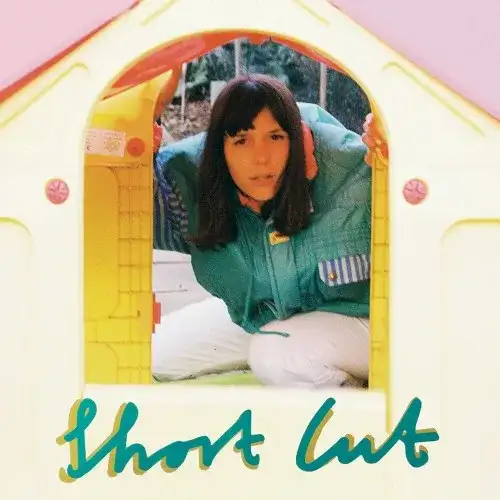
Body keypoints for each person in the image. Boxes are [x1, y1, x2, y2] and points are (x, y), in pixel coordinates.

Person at [151, 73, 388, 388]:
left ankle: (351, 416)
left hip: (370, 321)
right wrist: (146, 116)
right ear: (220, 151)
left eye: (275, 137)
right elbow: (126, 205)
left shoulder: (356, 168)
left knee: (278, 355)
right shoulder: (195, 182)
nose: (261, 158)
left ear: (296, 139)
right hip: (271, 315)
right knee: (154, 352)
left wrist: (401, 149)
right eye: (241, 140)